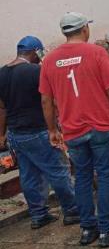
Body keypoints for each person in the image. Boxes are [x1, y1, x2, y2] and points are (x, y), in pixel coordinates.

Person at [39, 13, 109, 248]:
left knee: (81, 177)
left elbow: (46, 100)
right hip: (102, 126)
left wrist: (52, 129)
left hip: (73, 130)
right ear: (84, 30)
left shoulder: (49, 61)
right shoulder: (96, 53)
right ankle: (107, 230)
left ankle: (87, 229)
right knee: (105, 176)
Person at [0, 36, 79, 229]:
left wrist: (2, 135)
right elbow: (49, 101)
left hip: (16, 134)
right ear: (35, 51)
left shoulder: (2, 73)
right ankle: (72, 211)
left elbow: (1, 108)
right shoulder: (37, 71)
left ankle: (38, 215)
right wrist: (55, 128)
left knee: (28, 175)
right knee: (59, 171)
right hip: (38, 131)